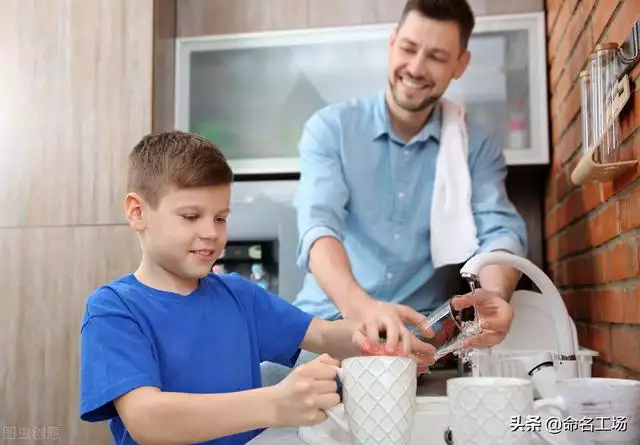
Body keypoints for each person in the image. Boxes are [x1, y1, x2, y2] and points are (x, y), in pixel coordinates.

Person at [78, 131, 436, 445]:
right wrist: (275, 404)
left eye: (220, 218)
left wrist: (378, 331)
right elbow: (147, 419)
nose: (211, 232)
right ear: (137, 212)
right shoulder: (114, 309)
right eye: (191, 217)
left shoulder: (238, 296)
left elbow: (325, 336)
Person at [261, 0, 528, 385]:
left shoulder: (475, 146)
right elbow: (319, 228)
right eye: (408, 48)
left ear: (460, 65)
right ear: (392, 45)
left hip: (413, 348)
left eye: (436, 56)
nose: (417, 68)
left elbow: (499, 232)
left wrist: (495, 296)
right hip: (327, 329)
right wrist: (362, 309)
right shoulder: (331, 128)